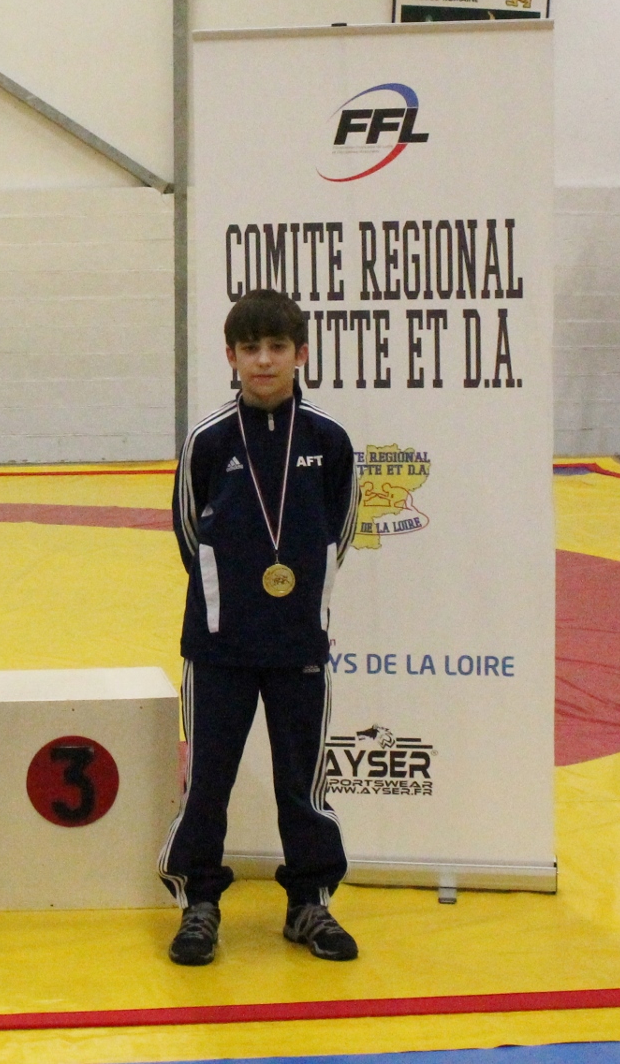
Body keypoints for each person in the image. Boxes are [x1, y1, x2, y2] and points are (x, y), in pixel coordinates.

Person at [158, 288, 359, 965]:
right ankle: (199, 903)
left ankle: (309, 902)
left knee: (303, 782)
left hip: (299, 644)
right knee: (207, 781)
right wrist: (228, 602)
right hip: (219, 645)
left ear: (301, 354)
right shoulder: (209, 440)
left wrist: (299, 603)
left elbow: (339, 533)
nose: (264, 360)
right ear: (231, 357)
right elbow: (189, 534)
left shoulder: (329, 440)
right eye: (251, 348)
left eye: (277, 347)